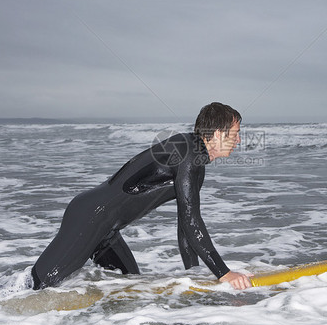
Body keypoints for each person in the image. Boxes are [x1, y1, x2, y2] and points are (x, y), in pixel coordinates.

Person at [31, 102, 252, 290]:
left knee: (128, 290)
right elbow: (192, 222)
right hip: (90, 218)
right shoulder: (189, 153)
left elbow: (186, 226)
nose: (239, 141)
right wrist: (223, 273)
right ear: (216, 135)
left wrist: (193, 275)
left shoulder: (194, 160)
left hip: (106, 229)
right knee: (36, 288)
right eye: (235, 134)